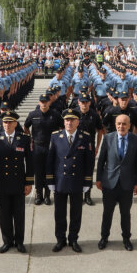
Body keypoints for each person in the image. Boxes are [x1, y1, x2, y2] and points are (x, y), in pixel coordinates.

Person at [46, 108, 94, 253]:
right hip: (60, 180)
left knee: (76, 213)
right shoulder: (55, 137)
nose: (69, 122)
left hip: (77, 181)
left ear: (78, 122)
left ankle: (73, 239)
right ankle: (60, 239)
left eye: (72, 120)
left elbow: (89, 162)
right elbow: (50, 160)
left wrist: (87, 182)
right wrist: (50, 180)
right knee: (59, 213)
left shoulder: (85, 137)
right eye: (67, 120)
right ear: (64, 121)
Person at [0, 111, 32, 253]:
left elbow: (30, 161)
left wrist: (29, 182)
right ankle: (7, 241)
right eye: (5, 122)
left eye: (10, 122)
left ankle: (19, 242)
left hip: (18, 182)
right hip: (2, 183)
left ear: (15, 124)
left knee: (19, 214)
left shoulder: (24, 139)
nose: (7, 125)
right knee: (4, 214)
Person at [96, 113, 137, 250]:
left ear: (129, 125)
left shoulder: (136, 140)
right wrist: (98, 179)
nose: (121, 126)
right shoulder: (108, 138)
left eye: (124, 124)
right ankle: (104, 237)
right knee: (107, 213)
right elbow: (101, 161)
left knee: (125, 214)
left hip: (127, 184)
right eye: (119, 124)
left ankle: (126, 238)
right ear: (115, 125)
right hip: (110, 183)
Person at [24, 94, 63, 206]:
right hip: (37, 147)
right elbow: (26, 126)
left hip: (51, 146)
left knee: (49, 171)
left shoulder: (55, 114)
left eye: (46, 101)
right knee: (38, 171)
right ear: (39, 102)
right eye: (42, 101)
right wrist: (30, 138)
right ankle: (38, 194)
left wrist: (58, 140)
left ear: (49, 102)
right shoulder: (33, 114)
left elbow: (62, 127)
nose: (44, 103)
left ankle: (47, 195)